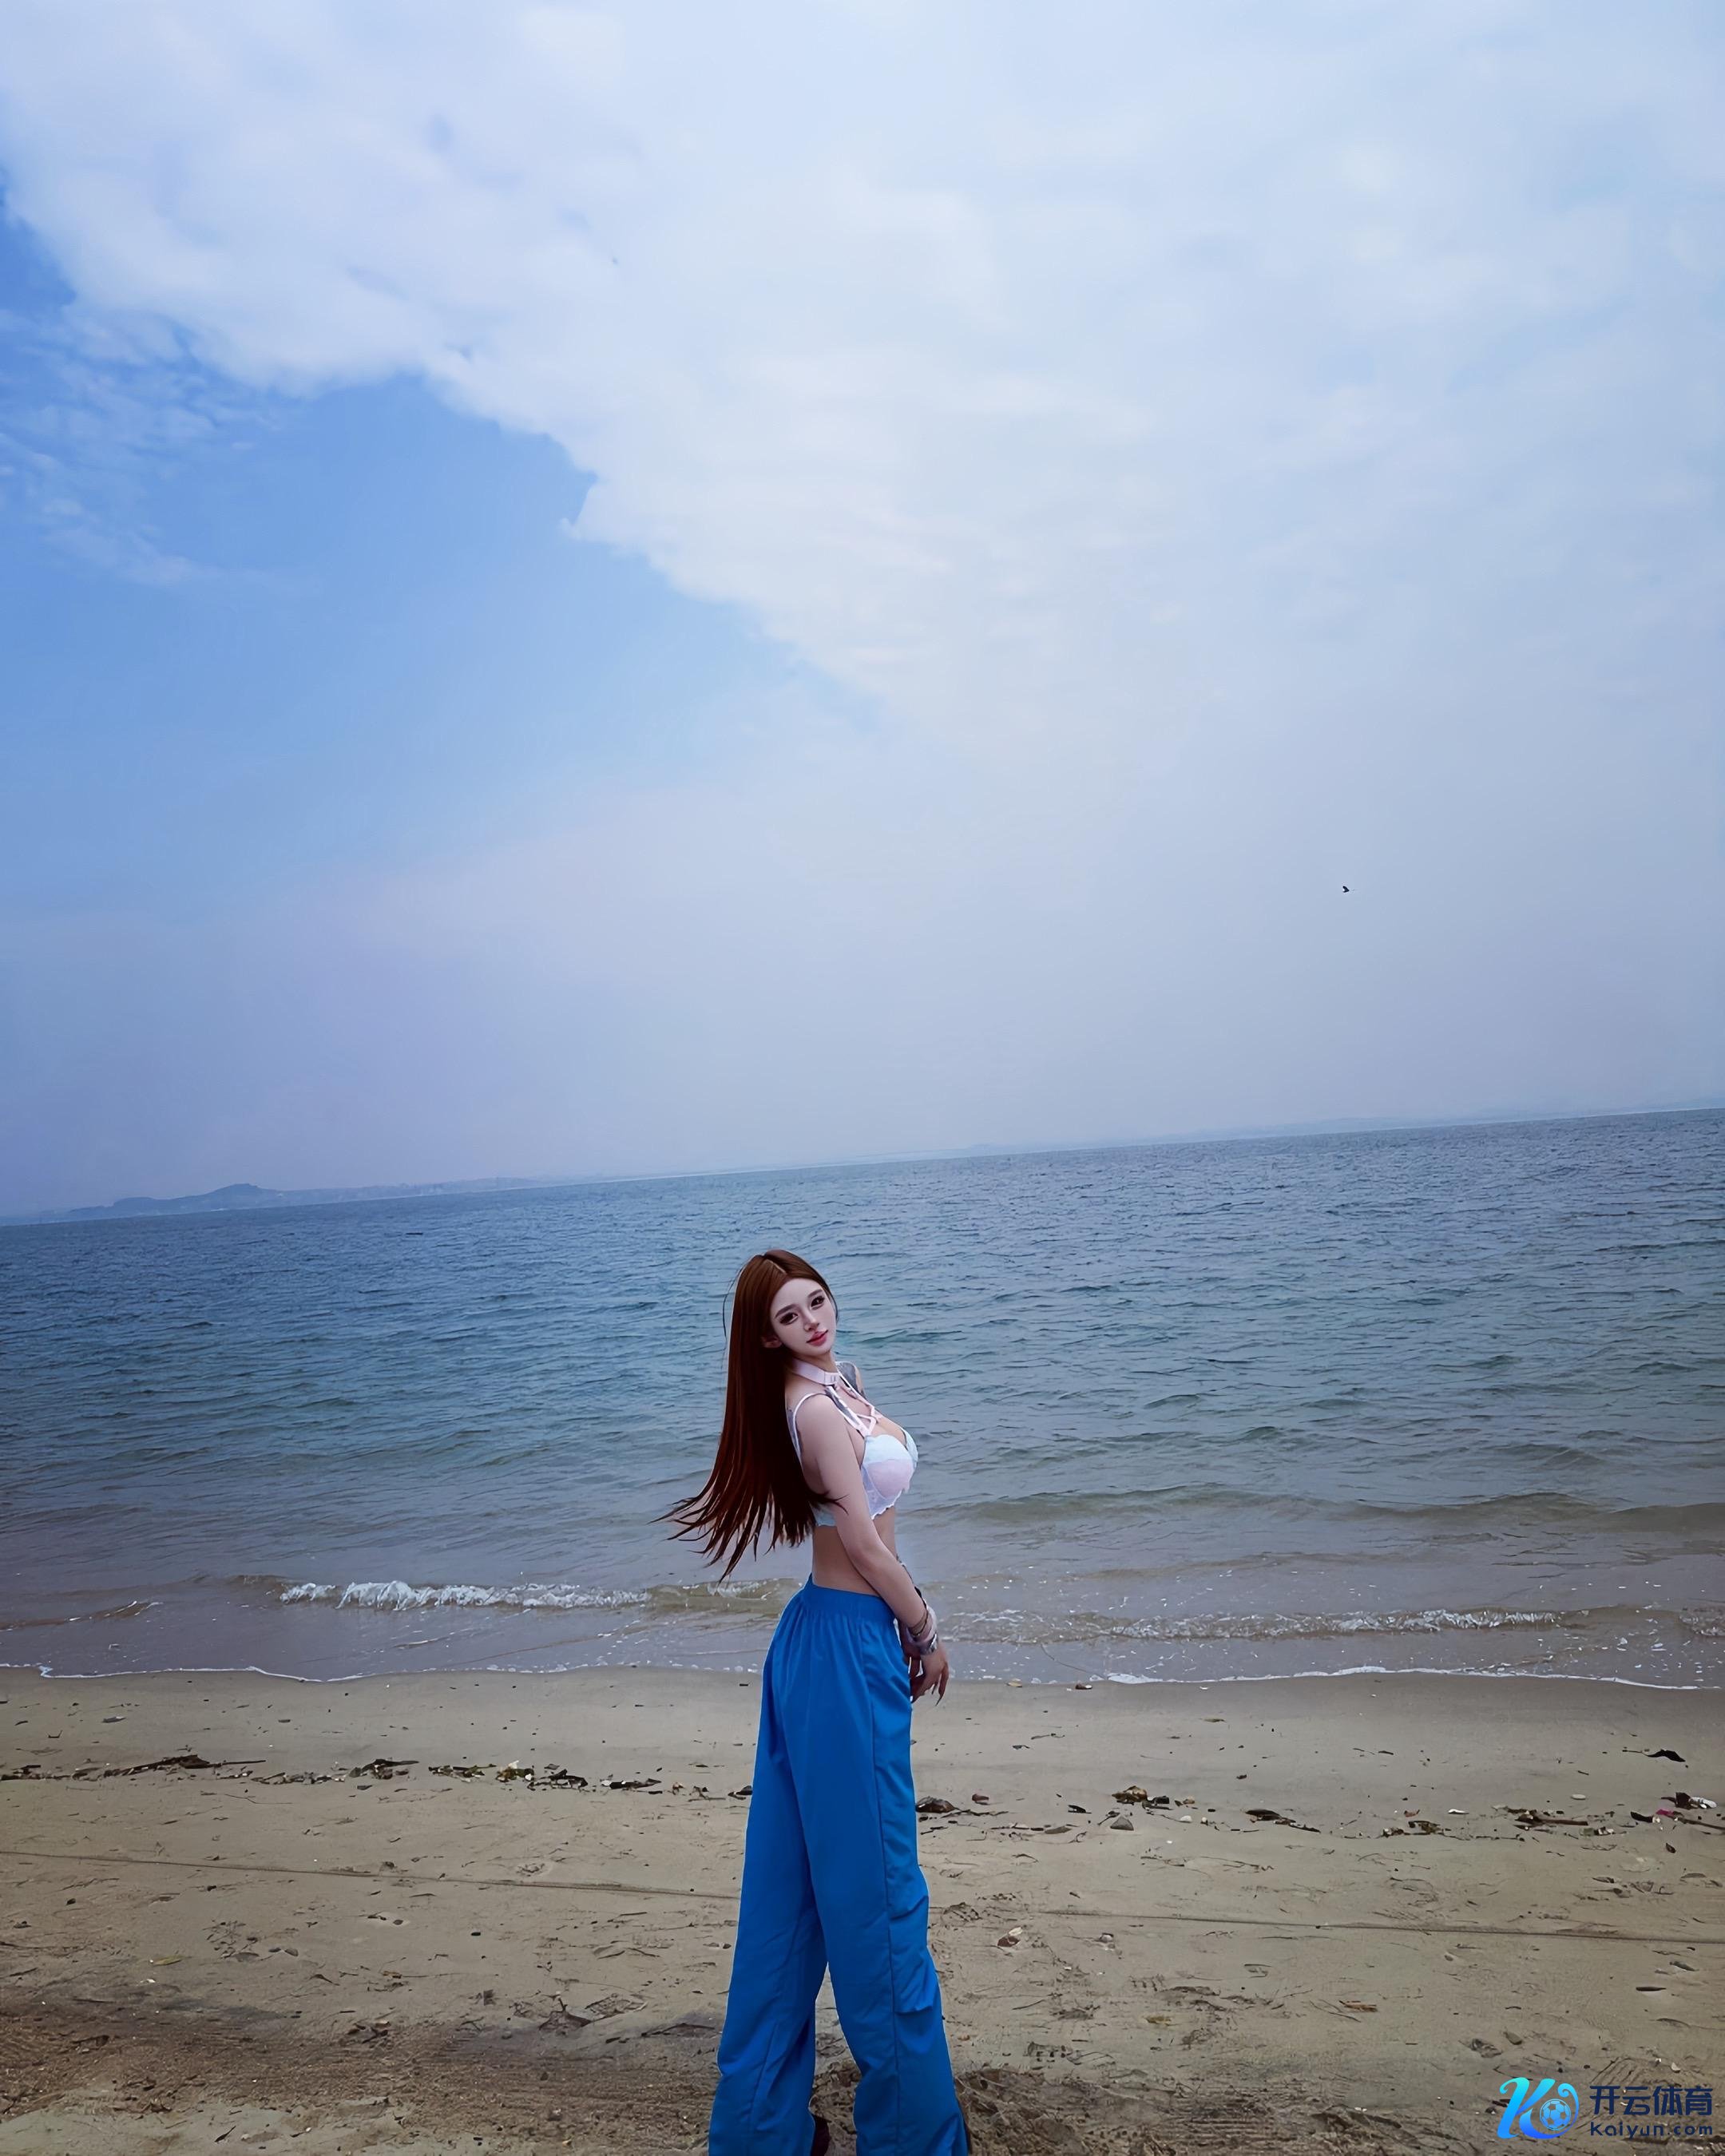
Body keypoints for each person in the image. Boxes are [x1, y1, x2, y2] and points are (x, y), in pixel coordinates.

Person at [660, 1247, 970, 2156]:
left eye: (817, 1301)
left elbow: (865, 1537)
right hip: (844, 1648)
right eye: (790, 1316)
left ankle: (760, 2132)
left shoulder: (837, 1385)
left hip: (820, 1639)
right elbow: (867, 1549)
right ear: (766, 1337)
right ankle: (915, 2141)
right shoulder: (814, 1411)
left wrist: (897, 1619)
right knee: (881, 1903)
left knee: (789, 1898)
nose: (812, 1320)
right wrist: (924, 1627)